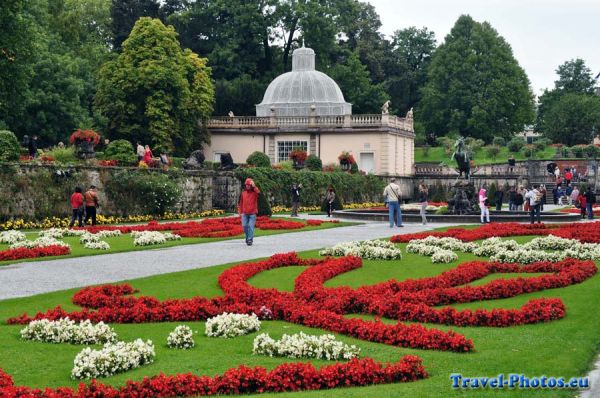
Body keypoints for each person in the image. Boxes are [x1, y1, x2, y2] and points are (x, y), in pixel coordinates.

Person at [238, 178, 260, 245]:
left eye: (249, 185)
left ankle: (249, 240)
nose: (247, 186)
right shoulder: (243, 193)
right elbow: (241, 203)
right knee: (244, 226)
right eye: (246, 185)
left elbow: (259, 192)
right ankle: (248, 238)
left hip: (252, 213)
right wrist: (240, 211)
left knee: (251, 227)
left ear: (251, 185)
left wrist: (254, 186)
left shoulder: (255, 193)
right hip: (244, 213)